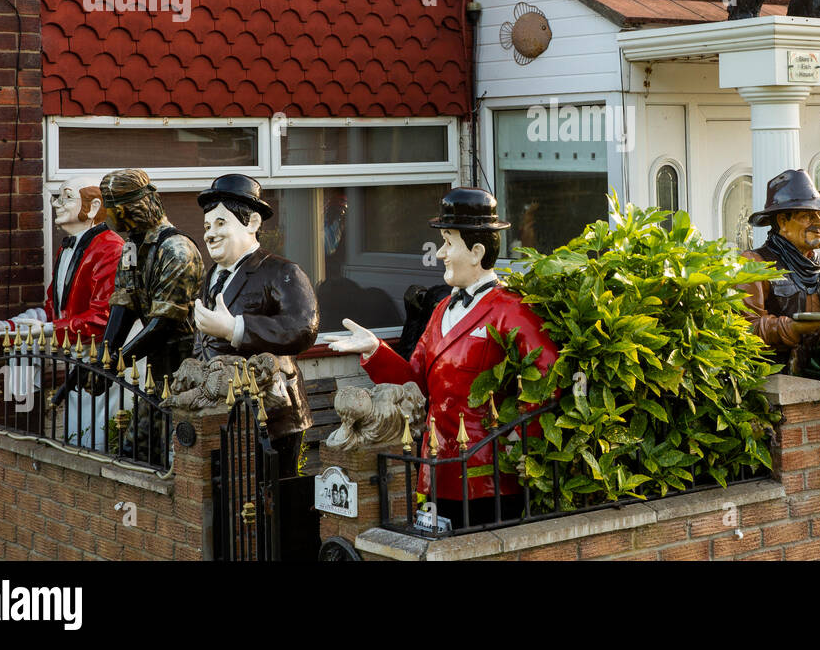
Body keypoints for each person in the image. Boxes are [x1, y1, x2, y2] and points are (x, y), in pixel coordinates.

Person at [327, 187, 557, 530]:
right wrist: (374, 349)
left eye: (449, 243)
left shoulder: (512, 309)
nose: (441, 254)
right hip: (435, 466)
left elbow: (548, 377)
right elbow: (414, 381)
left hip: (487, 472)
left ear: (477, 251)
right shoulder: (440, 310)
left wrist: (520, 441)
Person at [0, 175, 124, 444]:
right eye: (57, 196)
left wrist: (47, 330)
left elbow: (103, 317)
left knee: (97, 439)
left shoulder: (111, 249)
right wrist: (5, 326)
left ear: (92, 207)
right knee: (77, 437)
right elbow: (53, 309)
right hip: (76, 358)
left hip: (103, 363)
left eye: (67, 196)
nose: (57, 203)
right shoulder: (65, 249)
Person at [192, 174, 319, 478]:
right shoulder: (212, 276)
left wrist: (235, 328)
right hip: (220, 410)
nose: (210, 234)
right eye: (208, 226)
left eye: (221, 224)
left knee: (268, 498)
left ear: (251, 223)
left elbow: (303, 327)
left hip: (271, 414)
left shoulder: (280, 271)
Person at [100, 169, 205, 387]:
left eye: (107, 209)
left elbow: (164, 323)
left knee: (174, 419)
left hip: (185, 365)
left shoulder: (176, 250)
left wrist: (114, 363)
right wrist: (101, 357)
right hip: (155, 360)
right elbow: (124, 303)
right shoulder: (131, 246)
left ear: (122, 211)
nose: (105, 216)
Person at [738, 170, 820, 375]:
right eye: (807, 215)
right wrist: (792, 328)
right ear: (783, 222)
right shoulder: (754, 264)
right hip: (777, 383)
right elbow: (745, 330)